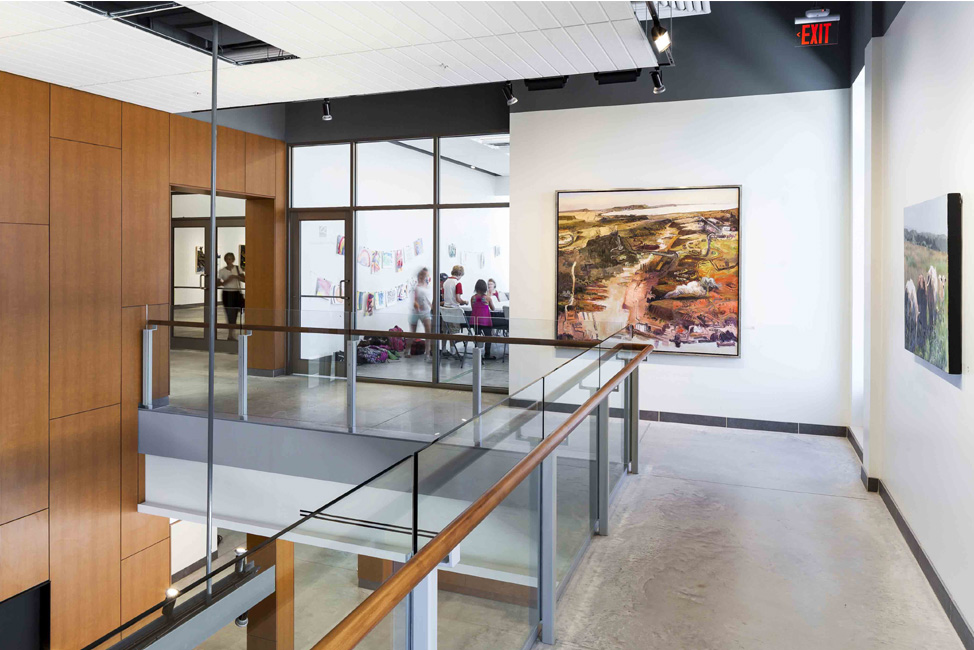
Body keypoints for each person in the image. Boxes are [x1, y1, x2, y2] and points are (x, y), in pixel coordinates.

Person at [217, 252, 245, 340]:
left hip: (236, 293)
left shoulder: (237, 268)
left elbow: (244, 279)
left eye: (230, 259)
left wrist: (236, 277)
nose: (228, 261)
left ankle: (234, 332)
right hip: (227, 293)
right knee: (229, 313)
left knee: (236, 312)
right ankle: (230, 333)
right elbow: (218, 283)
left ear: (233, 260)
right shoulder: (222, 271)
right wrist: (227, 280)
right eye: (227, 259)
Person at [407, 267, 433, 362]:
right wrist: (417, 306)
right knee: (413, 333)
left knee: (428, 333)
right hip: (416, 312)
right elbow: (414, 300)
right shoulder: (416, 287)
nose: (423, 277)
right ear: (419, 276)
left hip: (425, 312)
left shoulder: (427, 286)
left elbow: (427, 299)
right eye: (422, 275)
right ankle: (407, 350)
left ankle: (427, 353)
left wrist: (431, 306)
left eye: (425, 275)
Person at [470, 279, 498, 360]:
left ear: (476, 288)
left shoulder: (473, 298)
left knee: (477, 337)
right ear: (485, 288)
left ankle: (477, 354)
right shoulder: (487, 298)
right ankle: (487, 354)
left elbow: (473, 308)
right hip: (485, 321)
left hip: (475, 321)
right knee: (488, 337)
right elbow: (493, 308)